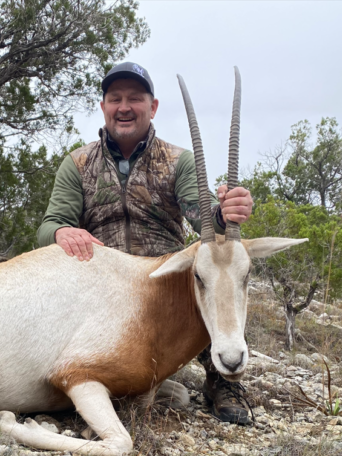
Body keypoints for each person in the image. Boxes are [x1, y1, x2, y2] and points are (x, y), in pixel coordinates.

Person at [37, 62, 254, 424]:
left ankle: (222, 379)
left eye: (135, 98)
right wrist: (61, 232)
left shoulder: (179, 161)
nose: (124, 106)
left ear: (152, 107)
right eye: (115, 98)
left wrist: (223, 214)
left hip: (163, 288)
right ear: (104, 106)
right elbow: (48, 226)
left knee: (223, 267)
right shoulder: (77, 163)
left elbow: (201, 218)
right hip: (102, 287)